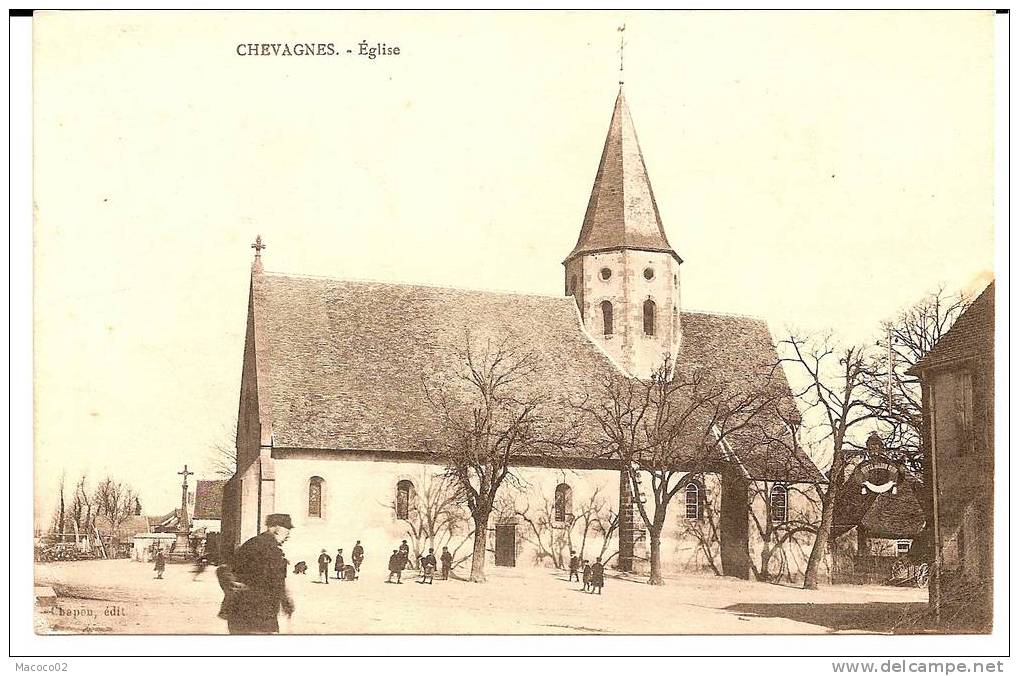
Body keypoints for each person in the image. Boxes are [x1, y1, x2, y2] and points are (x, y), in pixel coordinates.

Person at [218, 513, 296, 634]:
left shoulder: (252, 543)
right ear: (276, 528)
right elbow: (276, 581)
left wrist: (231, 588)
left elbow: (224, 570)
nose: (288, 535)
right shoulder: (269, 549)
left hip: (243, 614)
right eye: (287, 530)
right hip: (257, 616)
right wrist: (286, 601)